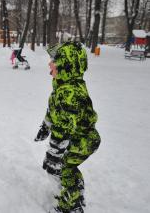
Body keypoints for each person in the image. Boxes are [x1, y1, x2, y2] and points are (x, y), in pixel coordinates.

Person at [34, 41, 100, 213]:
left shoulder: (70, 93)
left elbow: (64, 127)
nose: (49, 63)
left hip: (84, 139)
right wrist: (45, 126)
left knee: (63, 168)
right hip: (76, 136)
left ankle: (70, 206)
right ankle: (75, 197)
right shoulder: (62, 86)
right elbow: (53, 110)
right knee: (65, 167)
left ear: (66, 66)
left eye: (54, 61)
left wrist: (54, 154)